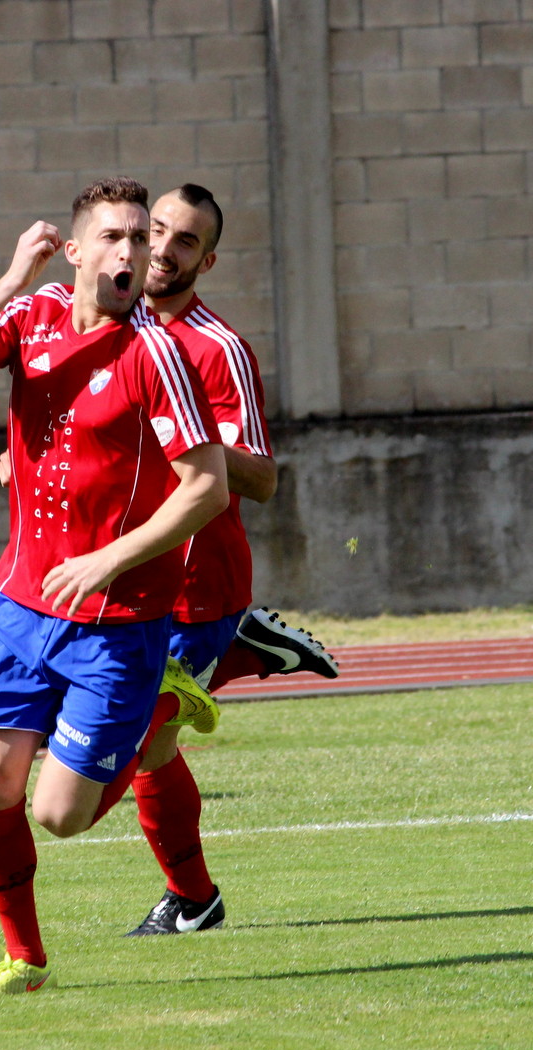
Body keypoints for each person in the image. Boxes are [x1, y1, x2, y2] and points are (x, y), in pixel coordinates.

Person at [0, 177, 229, 999]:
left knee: (60, 814)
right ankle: (25, 960)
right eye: (117, 237)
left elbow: (208, 487)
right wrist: (11, 277)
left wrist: (108, 558)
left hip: (116, 618)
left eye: (142, 238)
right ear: (78, 250)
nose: (136, 252)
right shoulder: (35, 314)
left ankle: (160, 700)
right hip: (24, 604)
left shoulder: (157, 354)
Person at [120, 184, 340, 936]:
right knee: (131, 741)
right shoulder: (108, 326)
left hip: (193, 587)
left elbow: (264, 478)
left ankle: (194, 900)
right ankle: (245, 650)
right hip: (120, 577)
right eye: (156, 230)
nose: (164, 249)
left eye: (185, 240)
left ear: (206, 261)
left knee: (139, 745)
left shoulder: (218, 349)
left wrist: (184, 438)